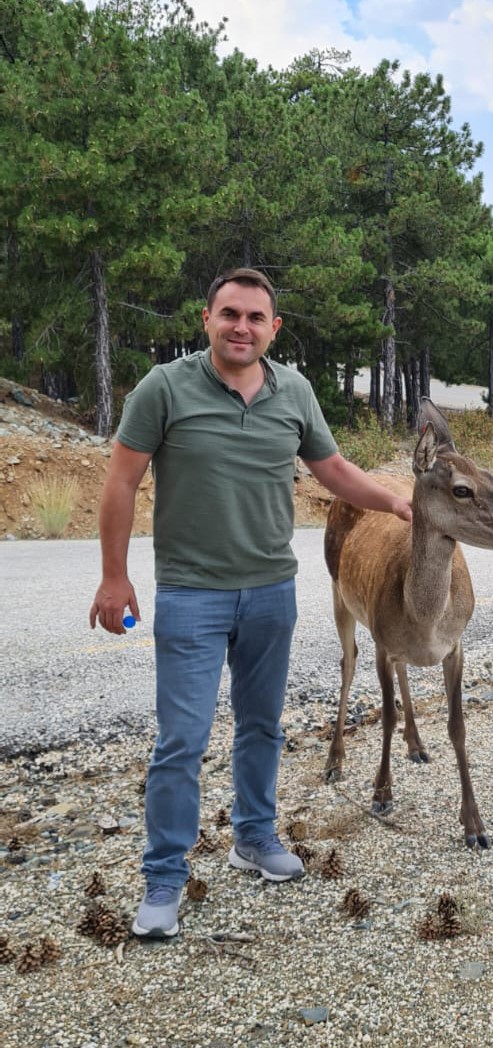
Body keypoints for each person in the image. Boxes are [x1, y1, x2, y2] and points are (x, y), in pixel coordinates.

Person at [89, 268, 412, 939]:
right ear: (206, 318)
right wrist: (113, 577)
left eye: (254, 318)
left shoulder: (293, 390)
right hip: (190, 594)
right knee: (182, 739)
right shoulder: (165, 388)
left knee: (263, 724)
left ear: (274, 328)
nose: (241, 328)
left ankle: (254, 837)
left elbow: (334, 471)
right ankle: (165, 877)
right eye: (229, 315)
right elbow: (121, 480)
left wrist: (396, 500)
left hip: (271, 591)